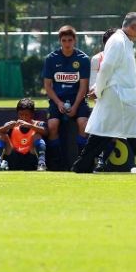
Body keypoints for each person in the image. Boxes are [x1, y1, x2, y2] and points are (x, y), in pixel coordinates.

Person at [71, 12, 136, 174]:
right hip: (117, 97)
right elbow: (106, 67)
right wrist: (98, 91)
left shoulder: (125, 41)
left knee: (127, 132)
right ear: (132, 27)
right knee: (106, 133)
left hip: (123, 97)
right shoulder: (117, 41)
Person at [41, 25, 91, 169]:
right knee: (52, 125)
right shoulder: (51, 59)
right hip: (57, 101)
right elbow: (48, 86)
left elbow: (83, 86)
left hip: (79, 101)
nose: (67, 44)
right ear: (60, 41)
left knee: (84, 124)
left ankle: (83, 161)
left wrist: (75, 106)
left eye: (70, 40)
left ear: (75, 40)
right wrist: (58, 103)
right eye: (64, 40)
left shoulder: (83, 59)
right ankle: (57, 163)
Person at [0, 98, 48, 171]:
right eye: (21, 115)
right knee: (2, 134)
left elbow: (46, 132)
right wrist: (7, 127)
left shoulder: (38, 124)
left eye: (26, 115)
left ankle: (41, 164)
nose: (23, 117)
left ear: (32, 114)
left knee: (37, 135)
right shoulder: (13, 124)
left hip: (31, 156)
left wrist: (30, 126)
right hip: (14, 157)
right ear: (17, 114)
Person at [89, 27, 118, 173]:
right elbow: (93, 87)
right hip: (102, 103)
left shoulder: (127, 58)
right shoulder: (96, 59)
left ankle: (101, 159)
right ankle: (98, 159)